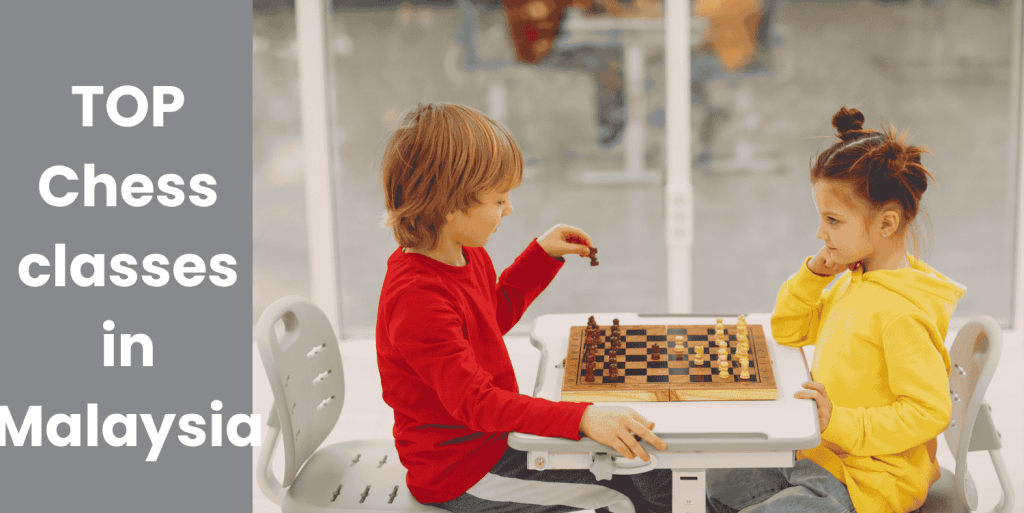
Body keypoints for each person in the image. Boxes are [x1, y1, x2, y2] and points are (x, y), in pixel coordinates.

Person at [375, 102, 671, 513]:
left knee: (650, 473)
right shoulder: (416, 298)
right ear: (448, 205)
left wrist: (541, 255)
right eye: (498, 200)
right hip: (465, 473)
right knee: (626, 494)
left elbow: (487, 320)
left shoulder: (464, 253)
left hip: (499, 441)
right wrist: (582, 417)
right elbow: (476, 403)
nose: (509, 210)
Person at [706, 107, 965, 513]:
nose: (820, 233)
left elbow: (928, 412)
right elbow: (788, 331)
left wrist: (837, 422)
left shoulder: (900, 312)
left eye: (833, 220)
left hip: (870, 482)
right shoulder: (852, 279)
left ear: (886, 224)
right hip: (821, 455)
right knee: (711, 480)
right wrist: (813, 274)